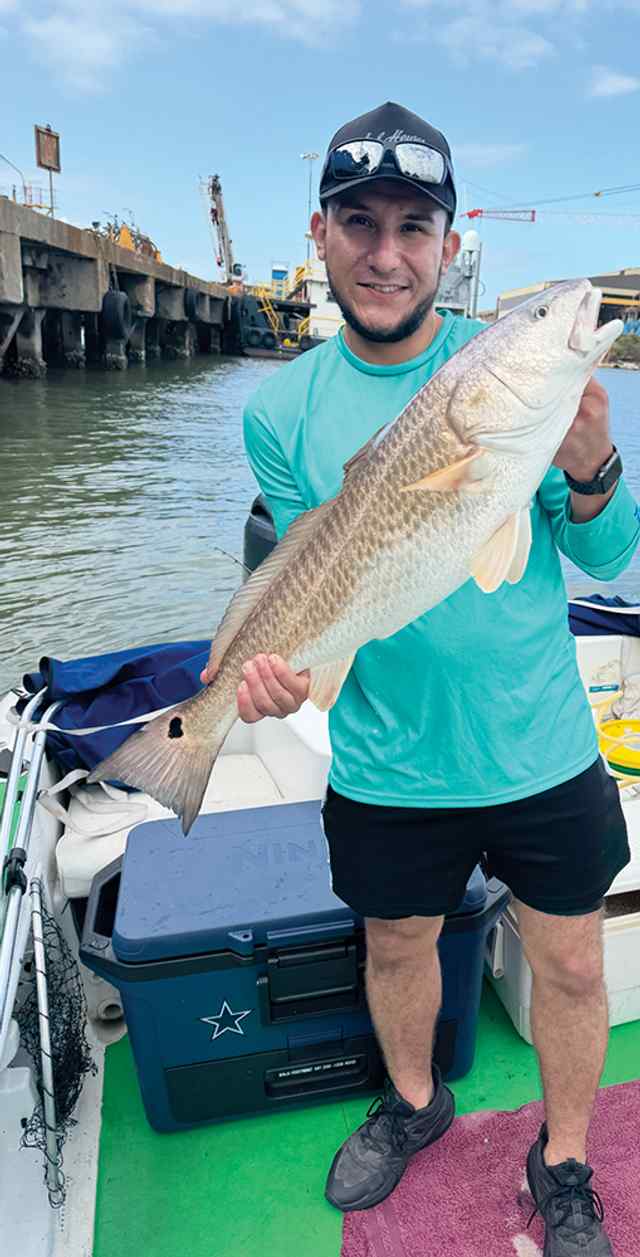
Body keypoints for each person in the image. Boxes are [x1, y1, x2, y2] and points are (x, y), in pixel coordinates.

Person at [202, 102, 639, 1254]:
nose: (385, 254)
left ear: (448, 244)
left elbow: (605, 557)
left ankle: (564, 1157)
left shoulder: (513, 377)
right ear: (321, 234)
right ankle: (412, 1102)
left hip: (540, 744)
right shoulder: (280, 409)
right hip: (389, 756)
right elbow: (315, 562)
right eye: (360, 224)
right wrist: (280, 673)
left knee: (571, 962)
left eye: (412, 228)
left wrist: (592, 465)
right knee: (395, 945)